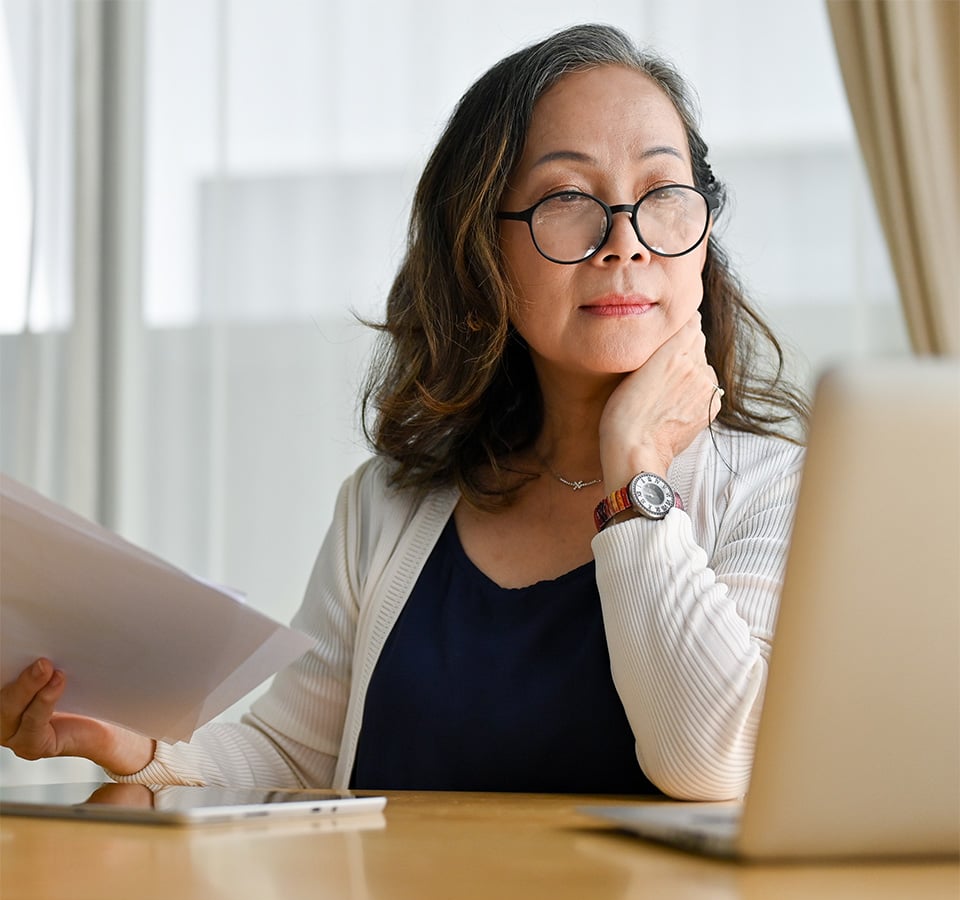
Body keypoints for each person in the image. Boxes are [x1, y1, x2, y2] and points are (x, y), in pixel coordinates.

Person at [1, 24, 807, 801]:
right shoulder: (384, 505)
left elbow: (713, 761)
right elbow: (292, 758)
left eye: (663, 193)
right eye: (568, 197)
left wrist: (636, 467)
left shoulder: (778, 489)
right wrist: (133, 746)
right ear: (481, 248)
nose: (625, 240)